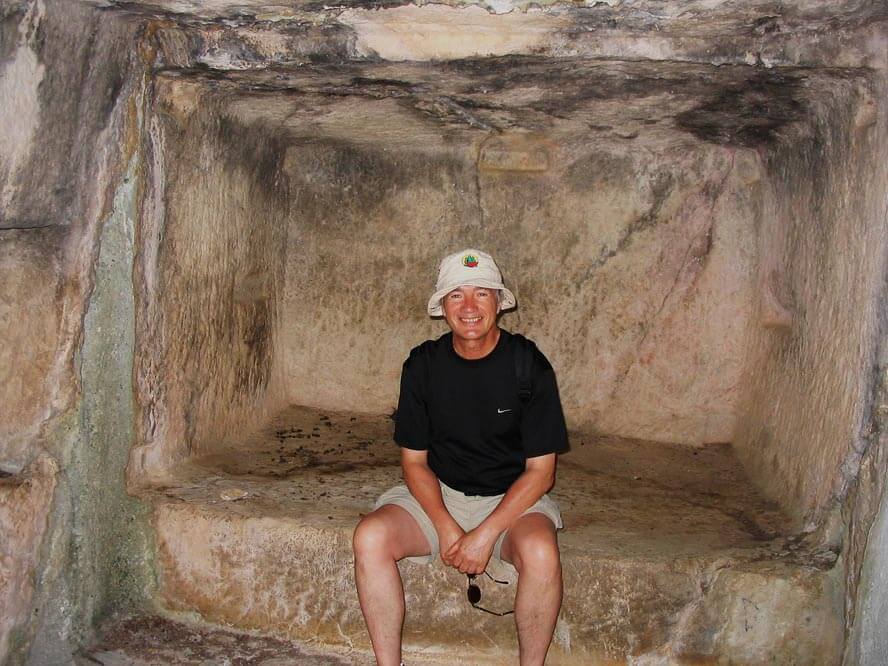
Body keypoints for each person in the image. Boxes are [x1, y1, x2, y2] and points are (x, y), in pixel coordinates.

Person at [353, 249, 569, 666]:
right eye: (456, 296)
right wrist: (446, 526)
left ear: (498, 303)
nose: (469, 307)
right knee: (369, 536)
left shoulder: (529, 366)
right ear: (443, 307)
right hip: (440, 492)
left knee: (542, 553)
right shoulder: (423, 366)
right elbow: (414, 462)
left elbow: (541, 473)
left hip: (513, 500)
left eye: (481, 294)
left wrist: (485, 534)